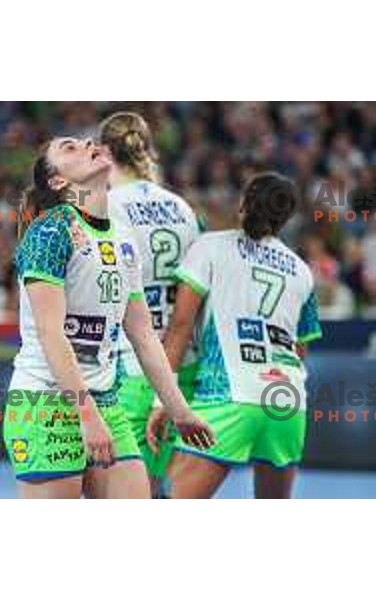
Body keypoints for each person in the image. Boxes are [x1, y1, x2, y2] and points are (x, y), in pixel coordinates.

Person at [3, 137, 214, 499]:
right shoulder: (50, 231)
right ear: (57, 182)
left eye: (85, 141)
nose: (86, 143)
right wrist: (86, 418)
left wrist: (178, 409)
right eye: (69, 148)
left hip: (105, 401)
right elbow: (52, 334)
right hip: (45, 403)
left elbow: (144, 335)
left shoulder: (123, 236)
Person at [150, 172, 322, 499]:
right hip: (287, 402)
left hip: (228, 396)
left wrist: (163, 402)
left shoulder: (210, 247)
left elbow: (180, 326)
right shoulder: (302, 270)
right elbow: (300, 351)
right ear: (286, 217)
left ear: (243, 203)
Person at [100, 112, 202, 496]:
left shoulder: (106, 206)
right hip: (181, 367)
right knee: (163, 488)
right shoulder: (183, 209)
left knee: (121, 489)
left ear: (106, 153)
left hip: (127, 365)